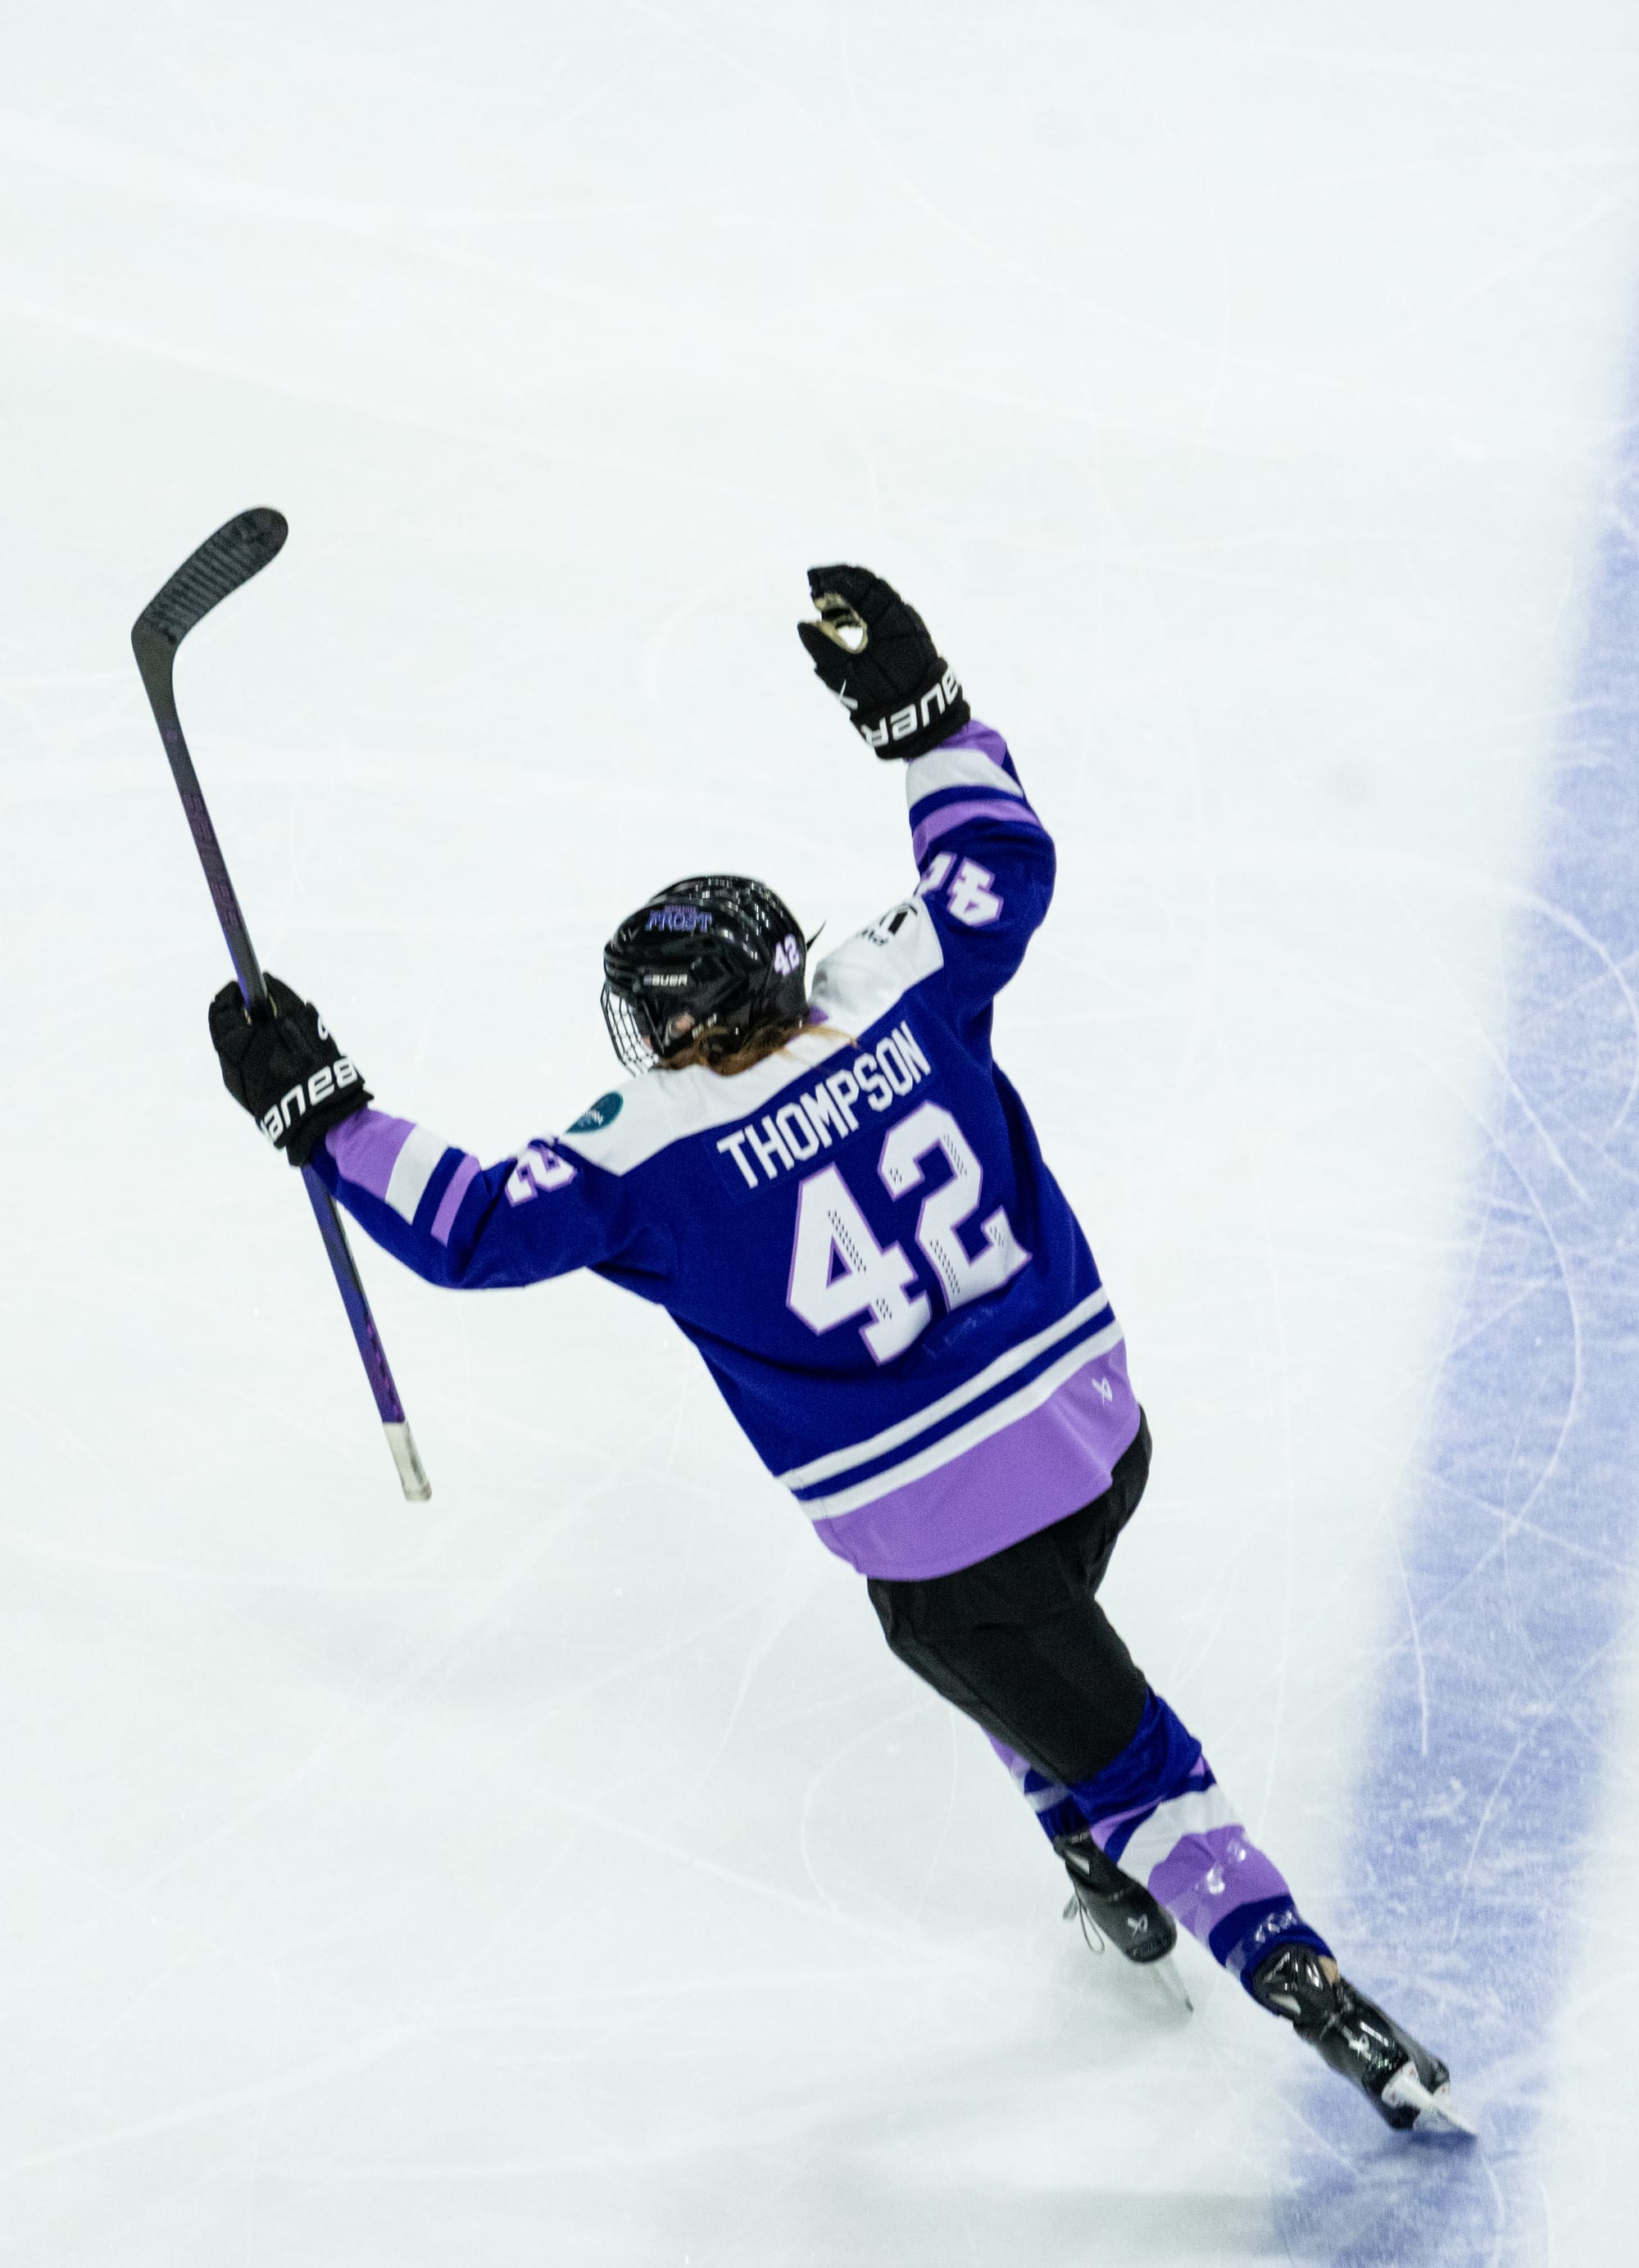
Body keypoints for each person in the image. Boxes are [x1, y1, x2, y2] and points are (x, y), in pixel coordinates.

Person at [208, 563, 1469, 2135]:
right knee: (1040, 1664)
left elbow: (470, 1225)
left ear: (679, 1028)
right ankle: (1091, 1835)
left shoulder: (647, 1149)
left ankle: (1300, 1976)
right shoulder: (894, 990)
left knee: (1109, 1745)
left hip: (950, 1550)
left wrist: (322, 1113)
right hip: (1098, 1442)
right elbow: (1000, 867)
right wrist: (922, 717)